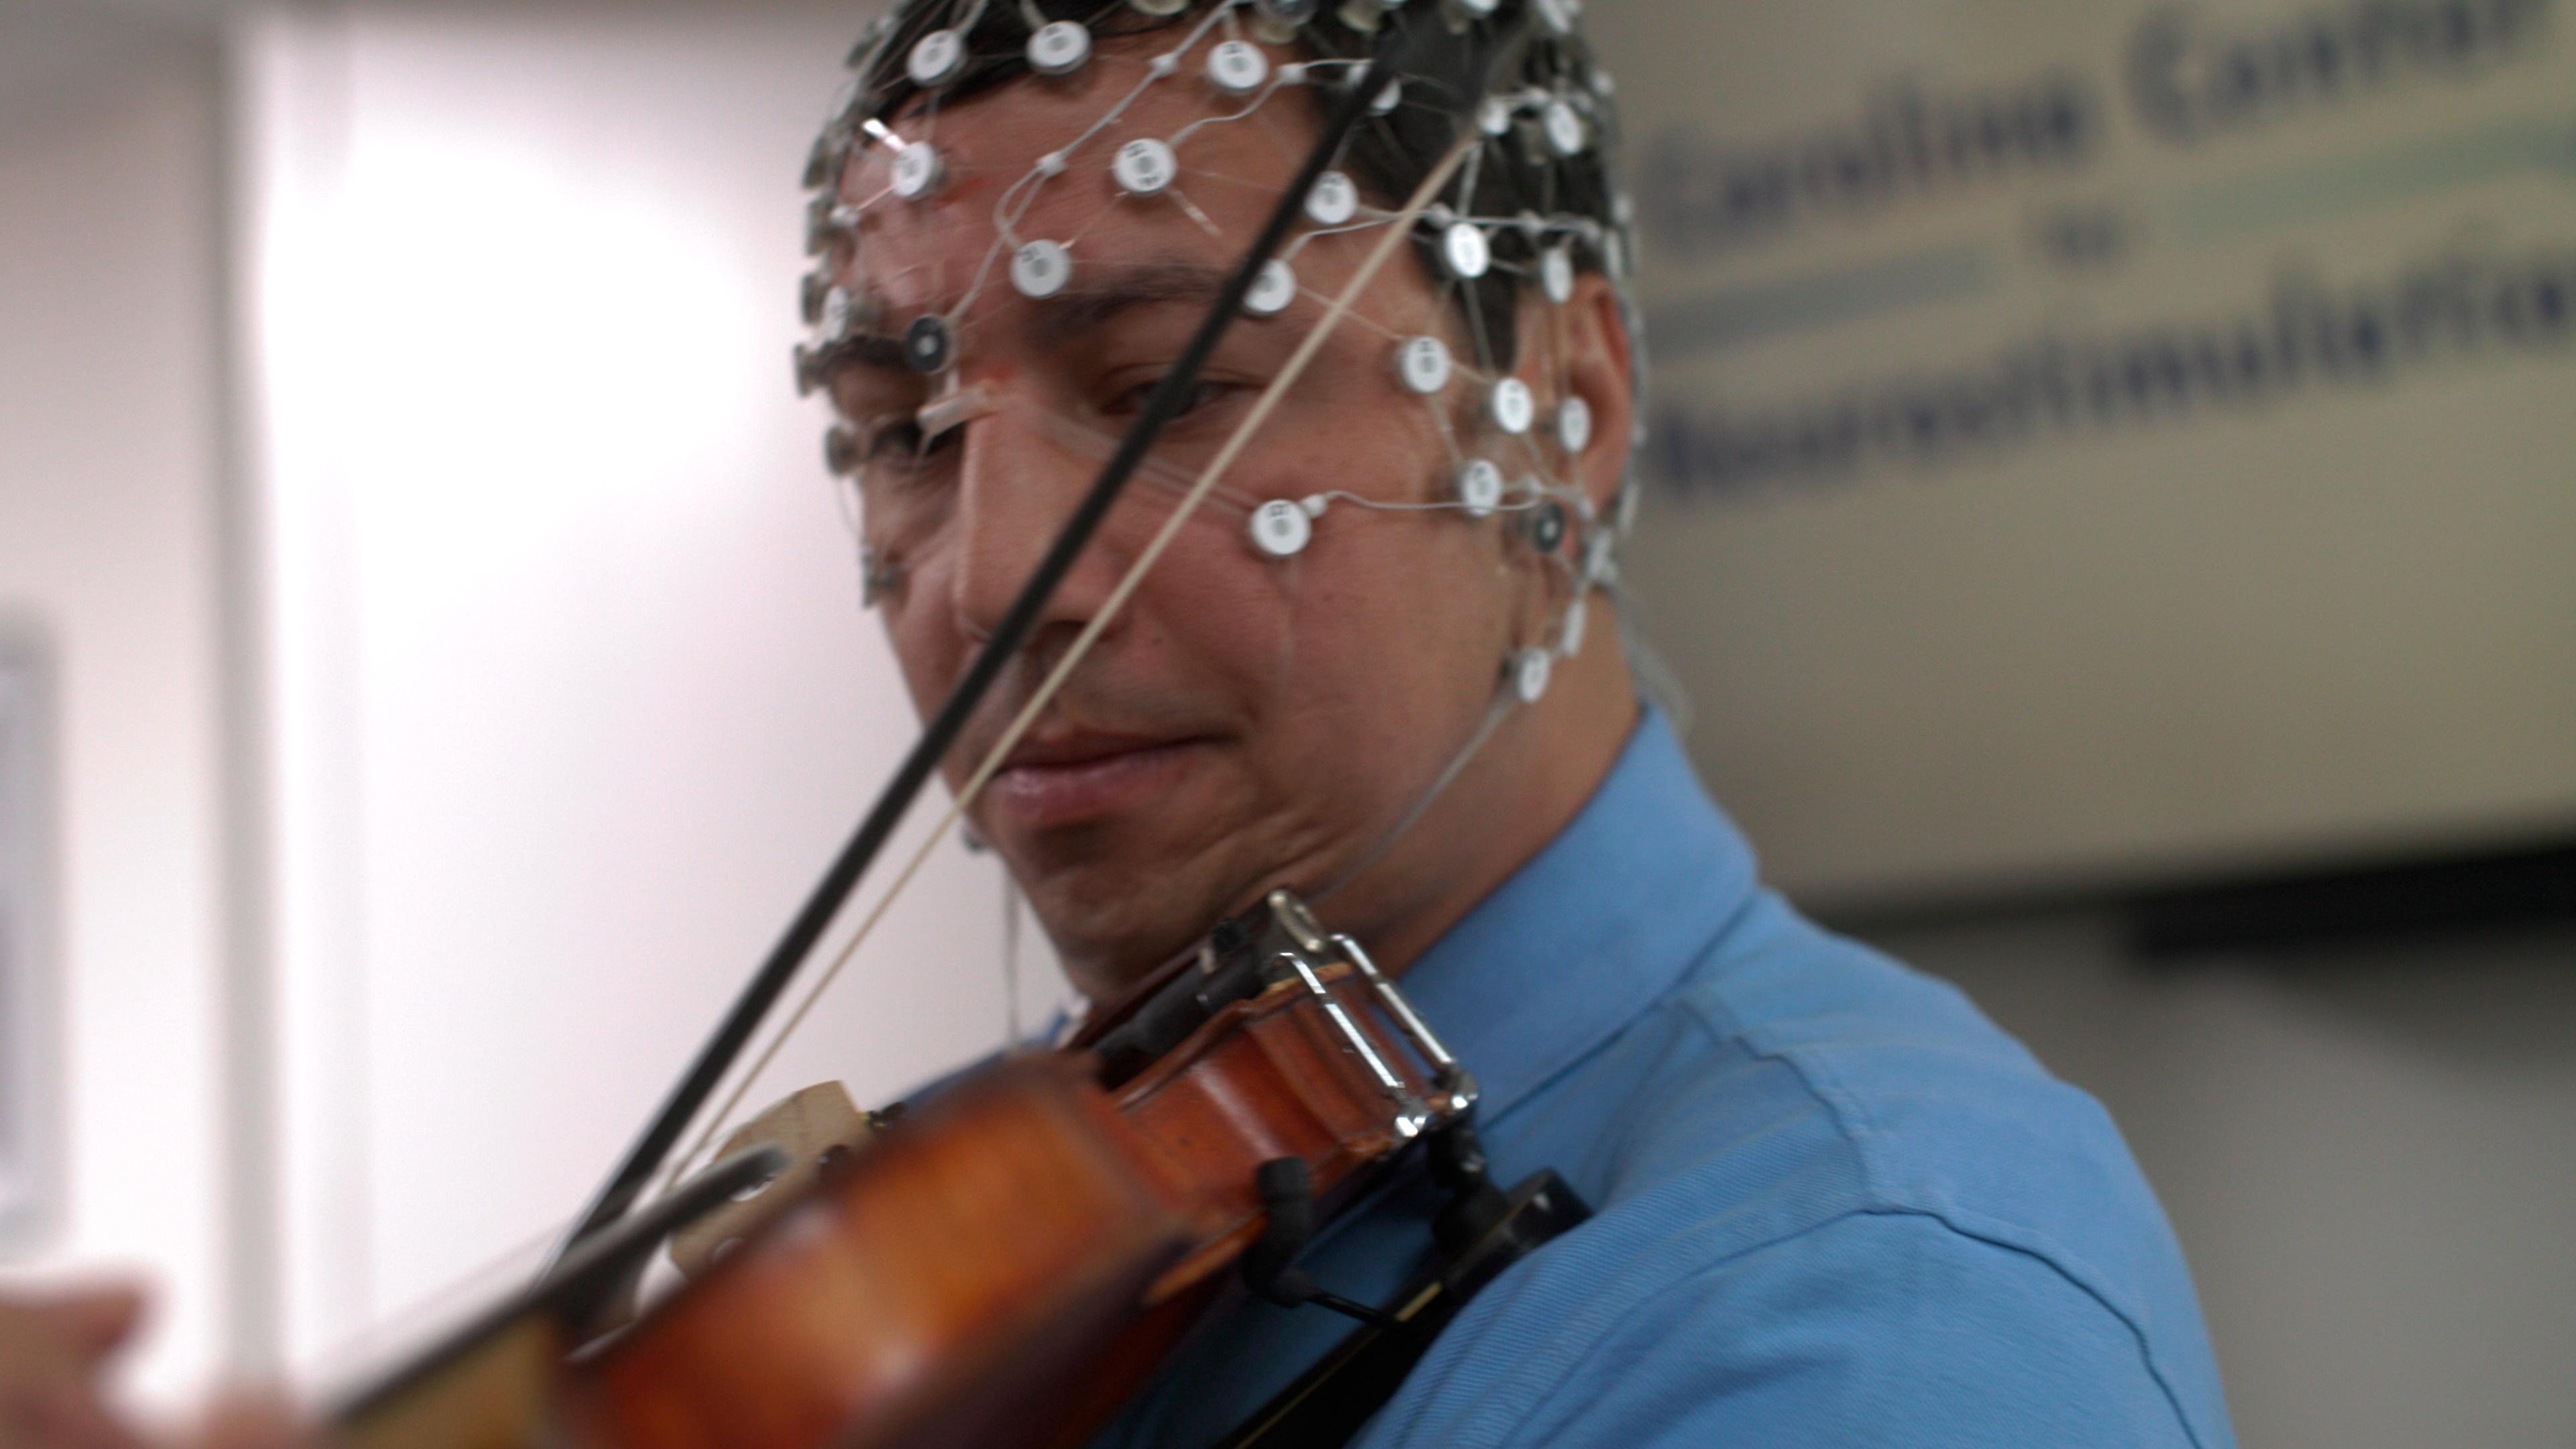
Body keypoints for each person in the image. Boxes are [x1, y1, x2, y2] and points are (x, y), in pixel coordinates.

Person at [4, 2, 2237, 1446]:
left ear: (1563, 398)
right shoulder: (1057, 1193)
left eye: (1173, 387)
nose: (990, 576)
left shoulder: (1864, 1315)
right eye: (901, 430)